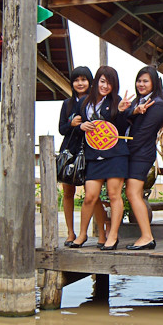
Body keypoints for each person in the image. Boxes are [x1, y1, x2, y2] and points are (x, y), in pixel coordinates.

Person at [70, 66, 132, 251]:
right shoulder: (84, 103)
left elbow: (120, 129)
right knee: (90, 196)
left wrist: (121, 112)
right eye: (103, 81)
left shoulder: (117, 101)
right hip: (92, 154)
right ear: (96, 81)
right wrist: (79, 127)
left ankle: (113, 235)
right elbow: (74, 125)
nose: (106, 86)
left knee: (114, 195)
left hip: (115, 154)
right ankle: (82, 234)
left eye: (110, 83)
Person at [58, 67, 106, 246]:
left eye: (84, 79)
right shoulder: (67, 104)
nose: (80, 83)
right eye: (76, 80)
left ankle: (102, 234)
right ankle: (71, 233)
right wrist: (72, 124)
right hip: (70, 151)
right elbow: (62, 129)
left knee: (92, 194)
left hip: (89, 151)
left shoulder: (95, 102)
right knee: (68, 192)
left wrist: (81, 126)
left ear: (90, 82)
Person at [124, 66, 163, 250]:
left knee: (133, 193)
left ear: (154, 83)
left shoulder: (157, 104)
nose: (141, 84)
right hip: (135, 153)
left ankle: (147, 236)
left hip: (141, 154)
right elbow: (123, 117)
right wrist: (133, 111)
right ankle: (146, 235)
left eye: (145, 81)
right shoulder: (138, 102)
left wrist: (125, 151)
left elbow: (143, 133)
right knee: (133, 193)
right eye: (139, 80)